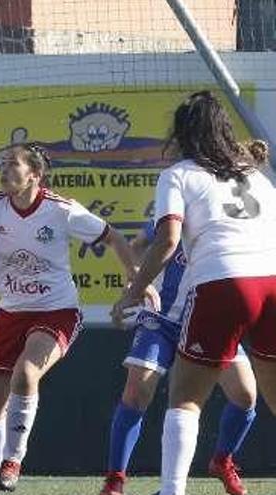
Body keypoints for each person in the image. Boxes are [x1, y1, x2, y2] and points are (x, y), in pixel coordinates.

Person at [0, 142, 153, 495]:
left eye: (13, 164)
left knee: (26, 373)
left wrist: (134, 278)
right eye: (2, 163)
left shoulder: (61, 209)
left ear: (35, 175)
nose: (4, 169)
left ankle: (12, 464)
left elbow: (114, 237)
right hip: (10, 313)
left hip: (57, 311)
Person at [112, 90, 276, 495]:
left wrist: (132, 292)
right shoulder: (255, 176)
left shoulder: (180, 173)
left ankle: (172, 491)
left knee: (185, 399)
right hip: (272, 282)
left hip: (223, 282)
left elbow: (167, 240)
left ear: (183, 134)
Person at [99, 220, 257, 495]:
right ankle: (115, 479)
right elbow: (137, 244)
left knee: (245, 396)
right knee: (137, 391)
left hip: (209, 322)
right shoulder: (179, 211)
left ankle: (222, 461)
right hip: (161, 318)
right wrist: (136, 281)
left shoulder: (237, 220)